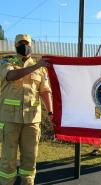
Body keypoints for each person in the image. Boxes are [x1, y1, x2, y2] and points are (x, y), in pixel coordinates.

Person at [0, 34, 53, 185]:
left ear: (31, 45)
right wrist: (37, 66)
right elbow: (10, 76)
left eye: (27, 43)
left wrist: (50, 112)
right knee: (8, 158)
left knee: (30, 158)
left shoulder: (41, 68)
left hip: (32, 121)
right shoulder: (6, 62)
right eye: (21, 43)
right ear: (15, 46)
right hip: (9, 120)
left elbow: (45, 91)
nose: (24, 46)